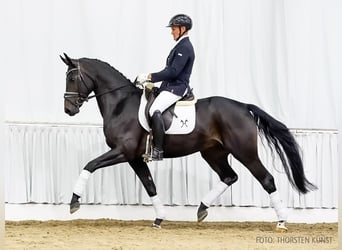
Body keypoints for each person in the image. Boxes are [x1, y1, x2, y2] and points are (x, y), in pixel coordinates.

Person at [136, 14, 195, 161]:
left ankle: (158, 150)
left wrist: (150, 76)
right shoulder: (180, 46)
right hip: (169, 86)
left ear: (182, 29)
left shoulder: (185, 47)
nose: (172, 32)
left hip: (177, 88)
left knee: (154, 110)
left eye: (174, 29)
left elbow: (173, 72)